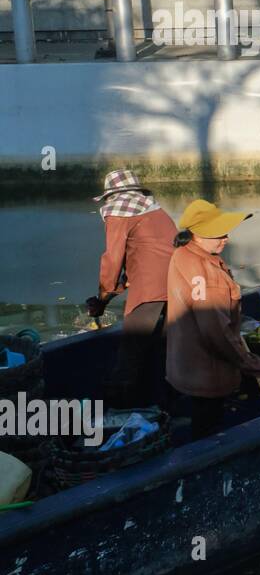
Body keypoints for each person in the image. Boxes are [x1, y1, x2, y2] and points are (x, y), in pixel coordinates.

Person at [164, 200, 260, 440]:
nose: (226, 239)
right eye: (218, 235)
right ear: (198, 236)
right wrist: (247, 362)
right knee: (207, 428)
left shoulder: (182, 254)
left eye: (226, 233)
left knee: (201, 417)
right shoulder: (205, 270)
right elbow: (214, 328)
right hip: (206, 368)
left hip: (185, 362)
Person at [85, 170, 178, 408]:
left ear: (112, 196)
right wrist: (120, 285)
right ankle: (168, 406)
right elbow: (149, 252)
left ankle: (119, 409)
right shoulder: (154, 210)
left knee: (131, 350)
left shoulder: (118, 212)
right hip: (176, 283)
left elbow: (112, 260)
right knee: (164, 347)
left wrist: (103, 298)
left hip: (150, 289)